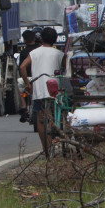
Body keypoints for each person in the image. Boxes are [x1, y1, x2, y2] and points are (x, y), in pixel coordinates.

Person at [19, 26, 66, 157]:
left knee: (40, 119)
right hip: (55, 90)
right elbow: (67, 68)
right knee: (56, 113)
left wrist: (28, 85)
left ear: (41, 38)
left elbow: (22, 67)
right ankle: (56, 139)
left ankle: (46, 149)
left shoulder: (34, 53)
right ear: (55, 40)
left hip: (39, 90)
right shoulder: (59, 54)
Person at [16, 29, 40, 123]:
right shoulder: (39, 49)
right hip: (40, 77)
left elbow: (21, 68)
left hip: (28, 79)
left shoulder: (23, 53)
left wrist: (26, 83)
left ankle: (23, 105)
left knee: (18, 85)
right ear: (35, 38)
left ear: (24, 40)